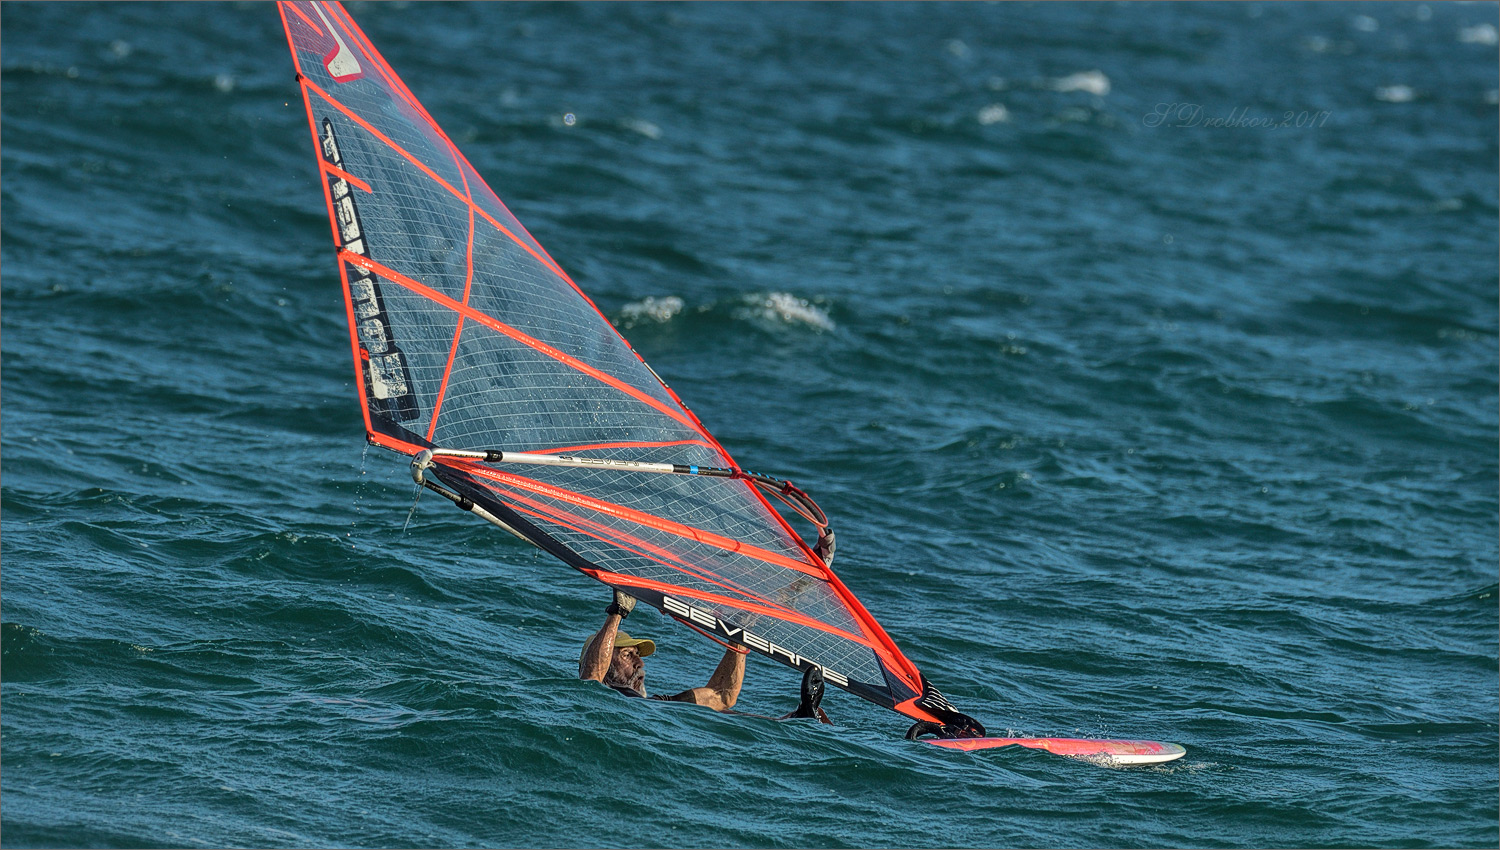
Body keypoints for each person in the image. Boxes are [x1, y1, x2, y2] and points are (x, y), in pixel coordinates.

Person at [579, 590, 830, 722]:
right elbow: (591, 678)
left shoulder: (659, 701)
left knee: (723, 711)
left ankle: (796, 718)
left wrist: (739, 636)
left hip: (660, 718)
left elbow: (723, 696)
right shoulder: (598, 695)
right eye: (627, 655)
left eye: (637, 655)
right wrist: (618, 612)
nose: (640, 662)